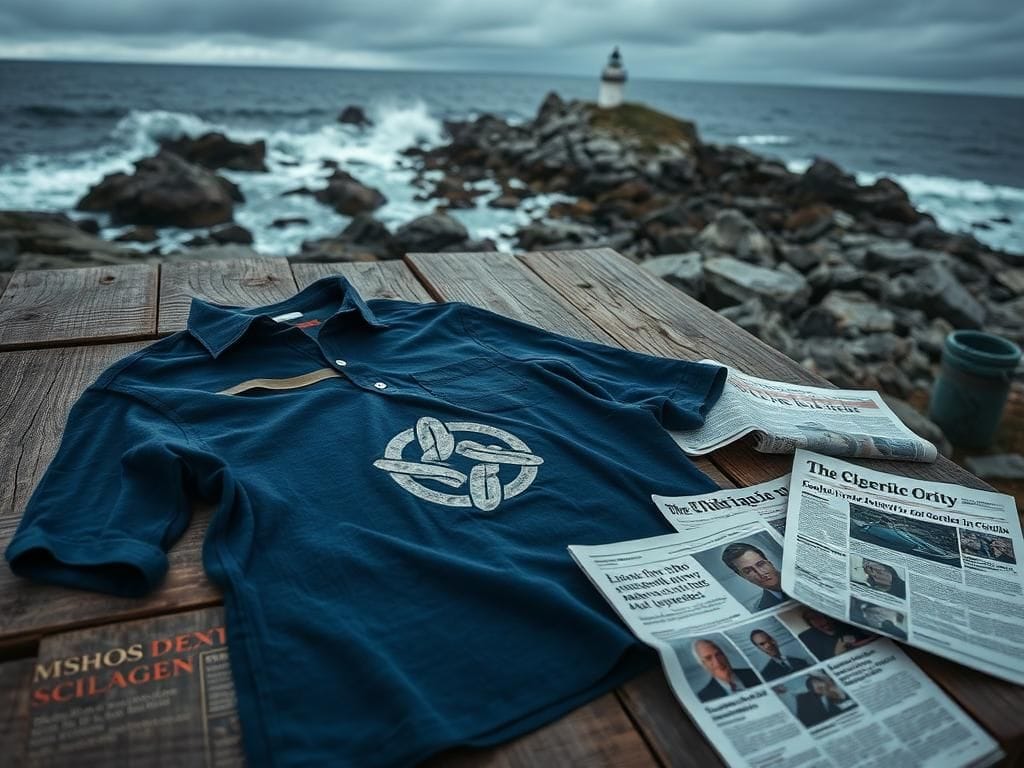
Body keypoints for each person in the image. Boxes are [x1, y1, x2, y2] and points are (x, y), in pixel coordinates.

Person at [721, 542, 786, 611]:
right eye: (748, 571)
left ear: (769, 563)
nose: (761, 573)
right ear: (743, 576)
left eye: (760, 564)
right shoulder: (762, 608)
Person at [691, 638, 761, 702]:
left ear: (725, 655)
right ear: (703, 665)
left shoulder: (753, 673)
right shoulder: (705, 696)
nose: (717, 662)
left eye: (718, 654)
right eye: (708, 658)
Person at [797, 609, 872, 660]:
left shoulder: (846, 625)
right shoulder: (809, 639)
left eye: (819, 615)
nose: (818, 620)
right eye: (812, 618)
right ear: (810, 623)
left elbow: (869, 638)